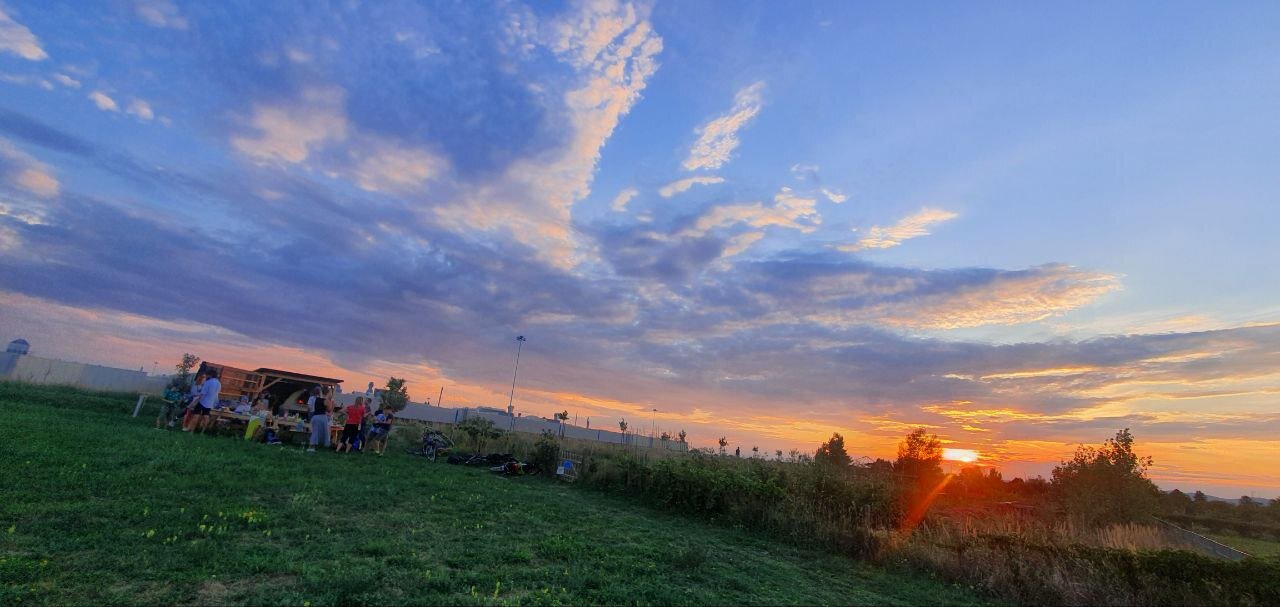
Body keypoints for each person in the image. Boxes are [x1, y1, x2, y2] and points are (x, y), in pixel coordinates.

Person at [190, 368, 221, 433]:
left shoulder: (208, 382)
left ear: (210, 375)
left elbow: (202, 395)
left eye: (207, 375)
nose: (206, 376)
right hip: (210, 403)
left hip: (202, 402)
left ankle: (191, 431)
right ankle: (202, 432)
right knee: (206, 417)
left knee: (196, 416)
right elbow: (216, 394)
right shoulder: (219, 383)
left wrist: (194, 403)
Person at [306, 386, 330, 452]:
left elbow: (309, 407)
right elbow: (329, 410)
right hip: (321, 416)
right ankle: (312, 446)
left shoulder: (314, 398)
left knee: (315, 431)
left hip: (314, 415)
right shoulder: (324, 400)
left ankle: (312, 446)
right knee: (320, 432)